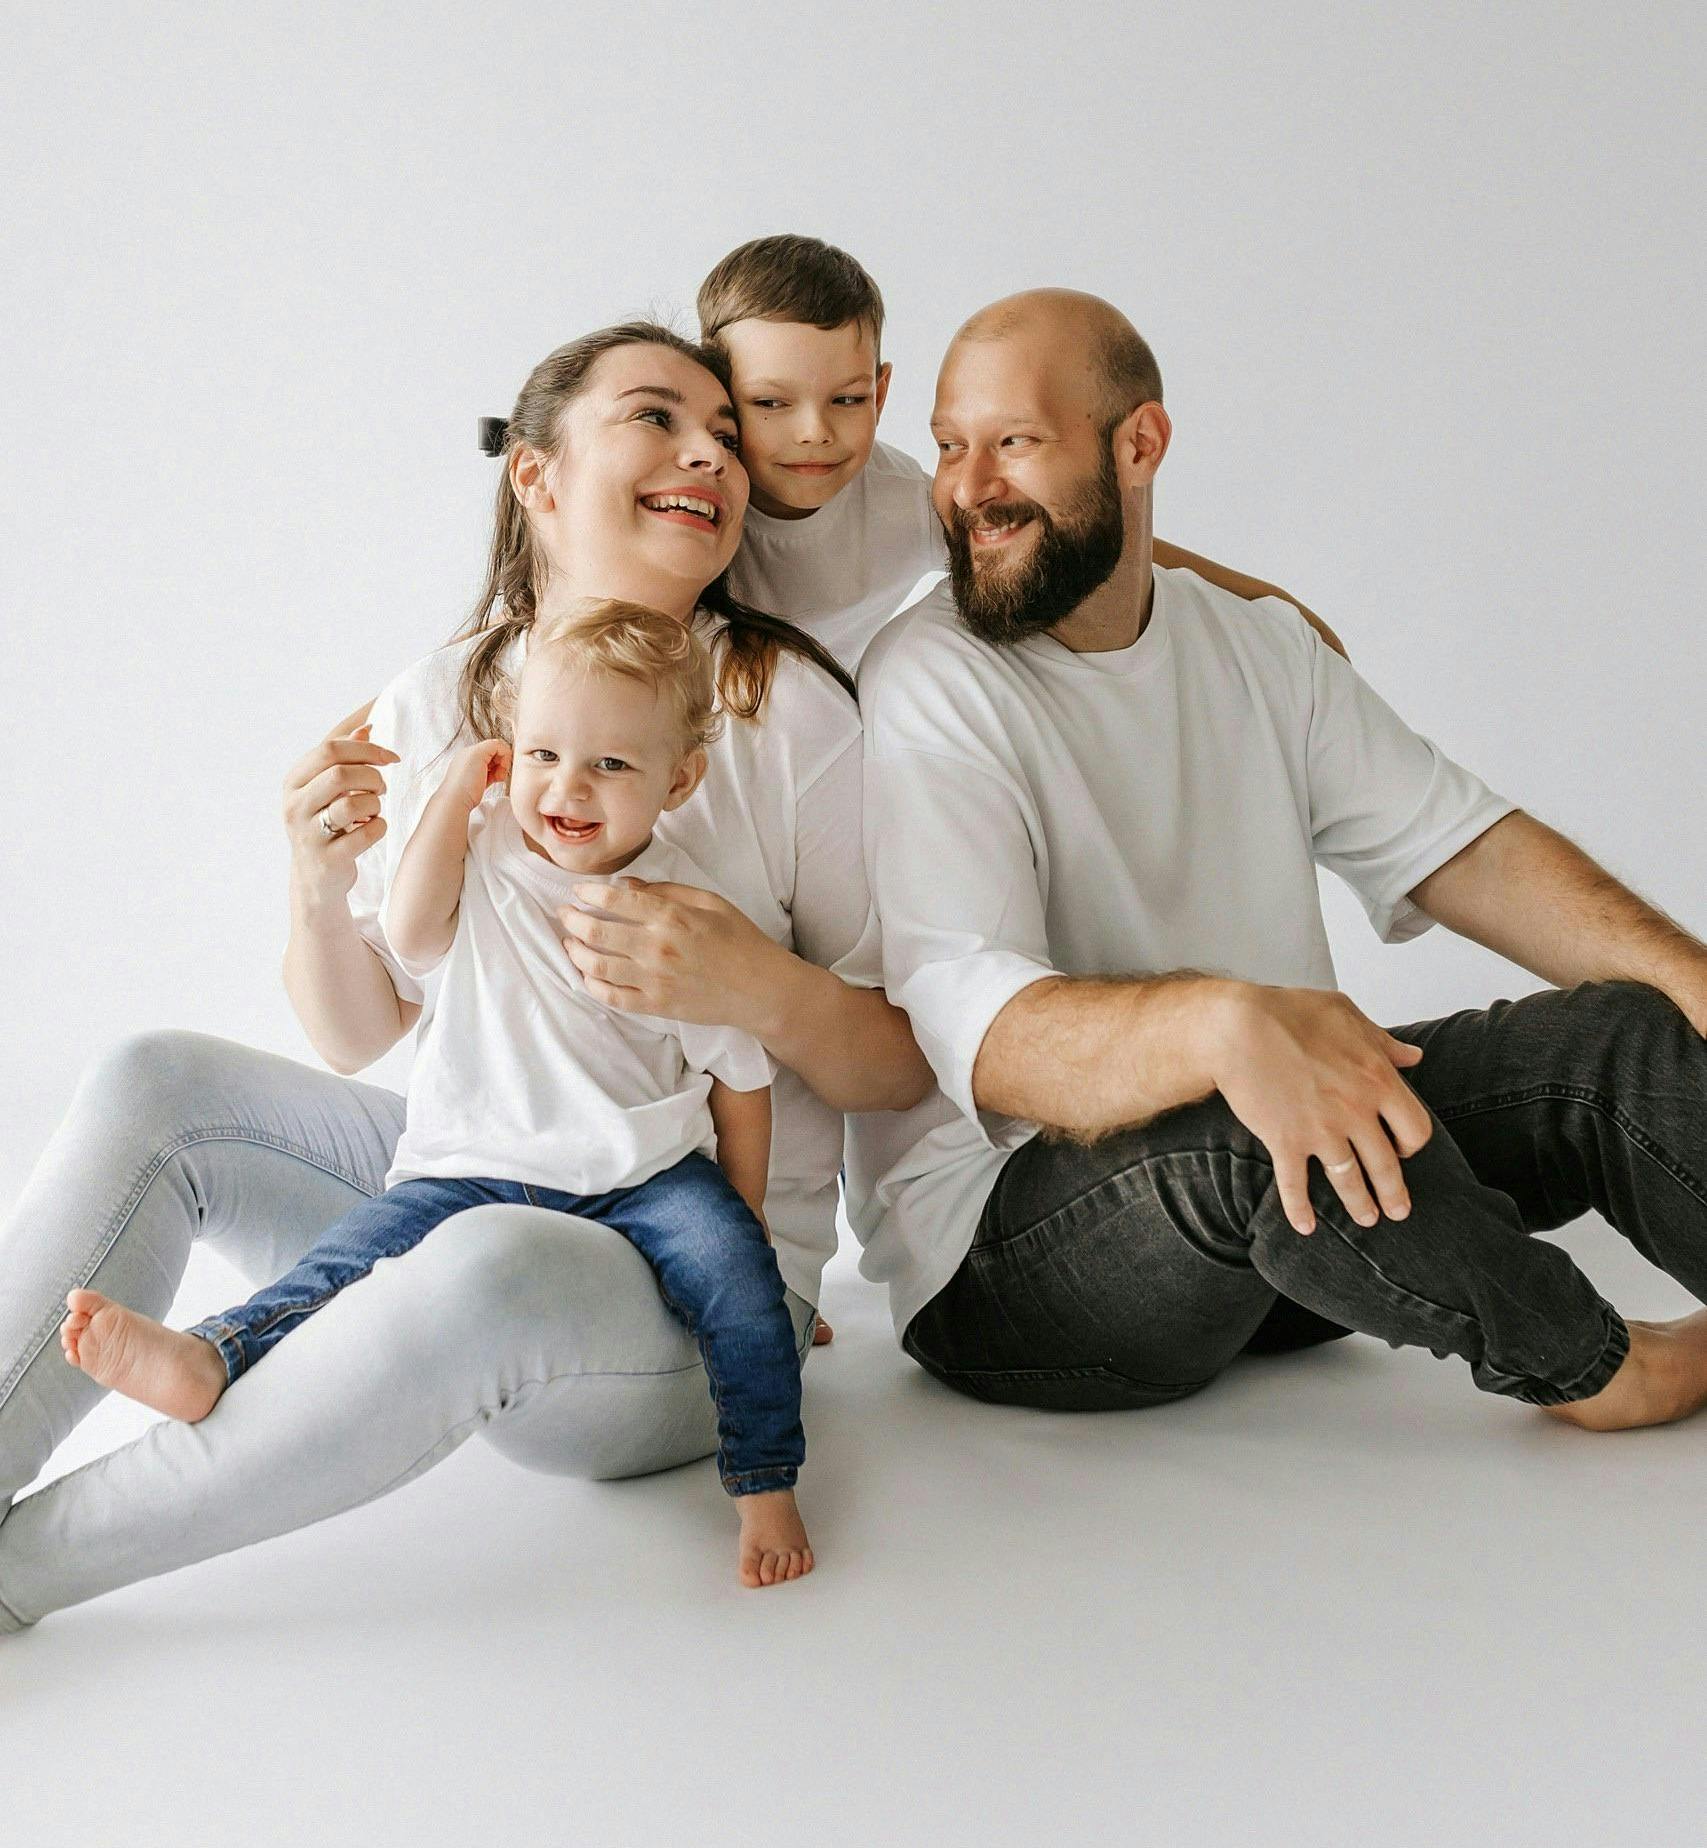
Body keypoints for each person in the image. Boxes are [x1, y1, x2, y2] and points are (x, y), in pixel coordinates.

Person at [0, 322, 929, 1630]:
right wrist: (316, 886)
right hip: (468, 1173)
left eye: (725, 433)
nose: (708, 451)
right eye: (657, 418)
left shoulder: (780, 710)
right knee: (154, 1080)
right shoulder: (440, 699)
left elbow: (900, 1065)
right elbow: (354, 1034)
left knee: (486, 1262)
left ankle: (17, 1579)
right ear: (536, 476)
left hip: (676, 1273)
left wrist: (751, 986)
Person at [854, 288, 1707, 1431]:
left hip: (1302, 1222)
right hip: (1015, 1261)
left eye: (1014, 442)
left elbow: (1469, 851)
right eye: (952, 447)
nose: (967, 487)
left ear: (1139, 444)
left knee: (1625, 1031)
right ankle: (1603, 1370)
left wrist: (1697, 983)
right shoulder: (930, 677)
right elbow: (986, 1037)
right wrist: (1224, 1026)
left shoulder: (1257, 645)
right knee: (1257, 1105)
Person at [57, 600, 816, 1587]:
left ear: (680, 778)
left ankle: (765, 1486)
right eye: (542, 754)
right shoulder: (490, 849)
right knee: (347, 1266)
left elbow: (740, 1083)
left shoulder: (684, 911)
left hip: (647, 1175)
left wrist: (745, 1223)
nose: (568, 789)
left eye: (611, 766)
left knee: (741, 1291)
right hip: (471, 1165)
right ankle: (211, 1353)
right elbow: (413, 936)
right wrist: (455, 803)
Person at [699, 232, 1350, 675]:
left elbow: (1102, 549)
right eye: (770, 404)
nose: (814, 433)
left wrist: (1282, 618)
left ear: (881, 389)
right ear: (718, 392)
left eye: (845, 400)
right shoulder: (682, 493)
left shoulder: (902, 501)